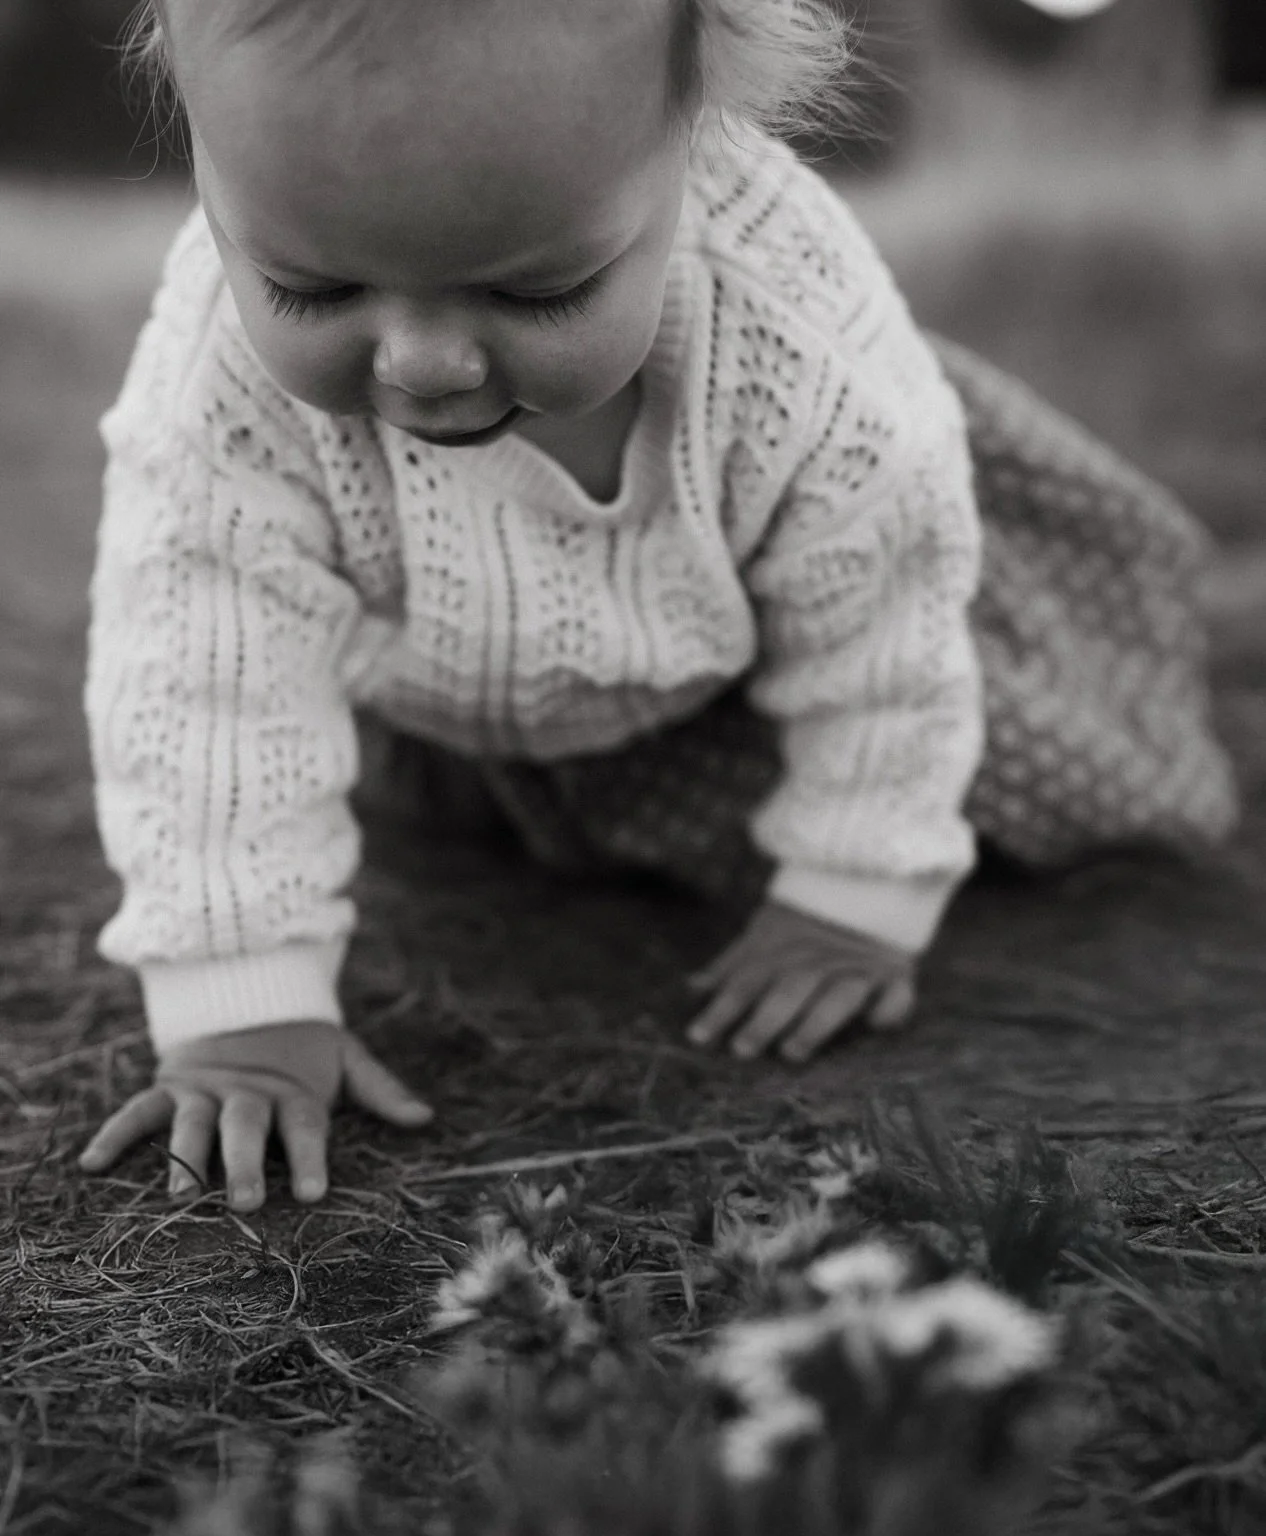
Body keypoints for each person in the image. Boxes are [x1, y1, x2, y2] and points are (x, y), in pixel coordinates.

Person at [78, 0, 1235, 1212]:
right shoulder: (217, 385)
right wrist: (244, 998)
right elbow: (200, 664)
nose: (422, 362)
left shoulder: (792, 331)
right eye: (313, 289)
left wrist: (860, 884)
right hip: (440, 687)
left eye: (537, 292)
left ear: (693, 135)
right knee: (399, 791)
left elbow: (885, 611)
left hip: (743, 661)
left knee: (1016, 752)